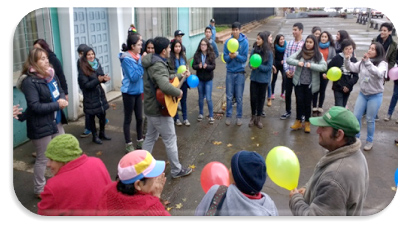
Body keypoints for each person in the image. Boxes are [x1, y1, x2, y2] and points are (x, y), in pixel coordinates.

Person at [289, 106, 369, 216]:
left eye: (324, 128)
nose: (317, 131)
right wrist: (307, 189)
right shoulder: (355, 154)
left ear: (339, 135)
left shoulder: (335, 178)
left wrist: (296, 200)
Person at [16, 47, 68, 197]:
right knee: (43, 158)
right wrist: (57, 105)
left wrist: (63, 98)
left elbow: (60, 90)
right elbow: (35, 106)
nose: (46, 61)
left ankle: (60, 183)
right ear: (34, 62)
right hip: (40, 124)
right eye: (42, 59)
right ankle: (39, 189)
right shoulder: (29, 81)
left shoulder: (51, 74)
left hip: (55, 121)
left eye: (46, 58)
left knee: (61, 153)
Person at [141, 36, 193, 179]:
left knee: (150, 137)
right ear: (164, 51)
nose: (170, 50)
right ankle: (176, 170)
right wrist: (179, 92)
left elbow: (165, 77)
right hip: (158, 109)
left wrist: (179, 75)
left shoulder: (153, 60)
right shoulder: (158, 65)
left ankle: (143, 166)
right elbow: (164, 85)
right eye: (169, 48)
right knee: (170, 139)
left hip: (152, 108)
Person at [37, 134, 111, 216]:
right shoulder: (97, 162)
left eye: (51, 160)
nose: (48, 164)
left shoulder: (54, 186)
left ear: (63, 160)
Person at [195, 151, 279, 216]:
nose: (228, 170)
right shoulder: (270, 208)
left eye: (232, 168)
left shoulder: (216, 193)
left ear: (235, 179)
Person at [97, 150, 170, 216]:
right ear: (138, 185)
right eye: (154, 177)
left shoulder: (107, 191)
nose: (157, 179)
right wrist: (156, 198)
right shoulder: (150, 210)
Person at [345, 42, 388, 151]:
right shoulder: (363, 62)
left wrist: (368, 62)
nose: (369, 50)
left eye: (373, 49)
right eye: (369, 48)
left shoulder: (382, 63)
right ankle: (356, 138)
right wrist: (347, 59)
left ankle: (369, 141)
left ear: (378, 52)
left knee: (370, 119)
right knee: (356, 116)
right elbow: (352, 68)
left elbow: (378, 73)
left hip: (375, 95)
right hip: (363, 94)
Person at [287, 35, 327, 133]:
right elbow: (289, 60)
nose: (308, 44)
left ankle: (307, 123)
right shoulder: (301, 52)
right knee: (299, 102)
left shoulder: (318, 55)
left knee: (308, 104)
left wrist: (312, 65)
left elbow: (324, 67)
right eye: (307, 42)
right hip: (299, 83)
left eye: (310, 42)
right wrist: (297, 63)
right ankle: (298, 121)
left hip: (310, 84)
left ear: (314, 44)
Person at [78, 46, 111, 144]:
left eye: (92, 54)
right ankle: (94, 136)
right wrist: (98, 80)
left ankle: (102, 133)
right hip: (90, 97)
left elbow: (100, 76)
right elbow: (85, 85)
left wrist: (104, 79)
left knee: (102, 115)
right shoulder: (82, 69)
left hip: (99, 95)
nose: (91, 56)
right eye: (89, 54)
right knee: (91, 117)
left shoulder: (97, 64)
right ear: (85, 56)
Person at [119, 34, 145, 153]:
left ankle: (140, 140)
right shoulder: (126, 59)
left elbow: (139, 74)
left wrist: (140, 62)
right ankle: (128, 143)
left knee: (140, 118)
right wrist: (141, 63)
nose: (141, 47)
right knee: (128, 119)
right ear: (132, 46)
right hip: (128, 92)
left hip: (138, 92)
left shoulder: (138, 56)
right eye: (139, 45)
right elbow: (134, 77)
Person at [223, 21, 249, 126]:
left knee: (239, 97)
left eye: (237, 29)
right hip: (230, 72)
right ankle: (228, 116)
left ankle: (239, 117)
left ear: (240, 30)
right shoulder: (227, 42)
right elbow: (225, 58)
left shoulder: (245, 42)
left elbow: (244, 59)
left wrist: (236, 56)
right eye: (233, 30)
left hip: (240, 73)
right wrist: (229, 57)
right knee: (229, 96)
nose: (235, 31)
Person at [371, 22, 398, 121]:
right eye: (381, 30)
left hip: (382, 71)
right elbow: (370, 53)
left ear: (390, 32)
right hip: (372, 68)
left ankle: (375, 112)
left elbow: (392, 60)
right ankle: (368, 110)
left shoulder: (393, 45)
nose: (382, 32)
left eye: (384, 31)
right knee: (368, 88)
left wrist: (386, 72)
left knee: (377, 92)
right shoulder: (375, 40)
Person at [248, 32, 273, 129]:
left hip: (263, 80)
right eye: (256, 38)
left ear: (264, 40)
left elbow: (268, 67)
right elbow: (250, 63)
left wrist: (258, 66)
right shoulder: (254, 50)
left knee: (261, 99)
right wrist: (252, 66)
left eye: (259, 39)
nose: (257, 40)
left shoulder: (269, 53)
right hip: (254, 79)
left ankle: (258, 118)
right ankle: (252, 117)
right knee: (253, 99)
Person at [281, 22, 305, 120]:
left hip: (298, 75)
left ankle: (301, 114)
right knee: (288, 94)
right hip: (288, 74)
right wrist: (287, 70)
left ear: (301, 31)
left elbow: (303, 60)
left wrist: (296, 71)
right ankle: (288, 111)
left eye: (295, 30)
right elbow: (285, 57)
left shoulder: (304, 45)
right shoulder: (289, 43)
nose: (293, 32)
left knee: (299, 96)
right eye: (293, 29)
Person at [328, 39, 359, 107]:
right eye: (346, 49)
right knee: (339, 106)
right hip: (338, 87)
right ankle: (337, 117)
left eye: (350, 48)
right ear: (342, 49)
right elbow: (329, 67)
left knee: (343, 105)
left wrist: (348, 86)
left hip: (348, 87)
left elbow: (356, 76)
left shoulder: (353, 60)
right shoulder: (337, 58)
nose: (349, 51)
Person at [192, 38, 216, 124]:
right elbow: (193, 66)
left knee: (209, 98)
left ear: (207, 46)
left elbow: (213, 66)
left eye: (204, 45)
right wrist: (198, 66)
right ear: (200, 45)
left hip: (208, 79)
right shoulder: (197, 54)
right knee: (201, 97)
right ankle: (201, 113)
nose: (203, 46)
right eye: (201, 44)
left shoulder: (211, 54)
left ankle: (211, 116)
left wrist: (207, 66)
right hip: (200, 79)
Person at [312, 31, 336, 116]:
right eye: (322, 36)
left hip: (326, 71)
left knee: (322, 89)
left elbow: (333, 59)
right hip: (316, 70)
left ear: (328, 38)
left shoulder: (331, 48)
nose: (323, 38)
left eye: (325, 37)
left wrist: (326, 63)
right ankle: (314, 106)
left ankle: (320, 106)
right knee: (315, 89)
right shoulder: (316, 46)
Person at [169, 39, 190, 126]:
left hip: (184, 82)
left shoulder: (183, 57)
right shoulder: (170, 59)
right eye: (176, 46)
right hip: (175, 82)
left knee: (183, 101)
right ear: (173, 47)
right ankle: (176, 118)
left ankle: (185, 118)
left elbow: (187, 67)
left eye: (179, 46)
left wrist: (188, 73)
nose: (178, 48)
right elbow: (170, 72)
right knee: (175, 101)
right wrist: (178, 75)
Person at [271, 34, 287, 103]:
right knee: (274, 78)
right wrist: (276, 64)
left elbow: (287, 55)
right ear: (278, 40)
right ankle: (272, 93)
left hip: (283, 65)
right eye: (280, 39)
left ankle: (282, 93)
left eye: (283, 39)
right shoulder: (275, 47)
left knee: (284, 78)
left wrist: (285, 60)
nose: (282, 40)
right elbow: (273, 58)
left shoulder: (286, 46)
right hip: (276, 64)